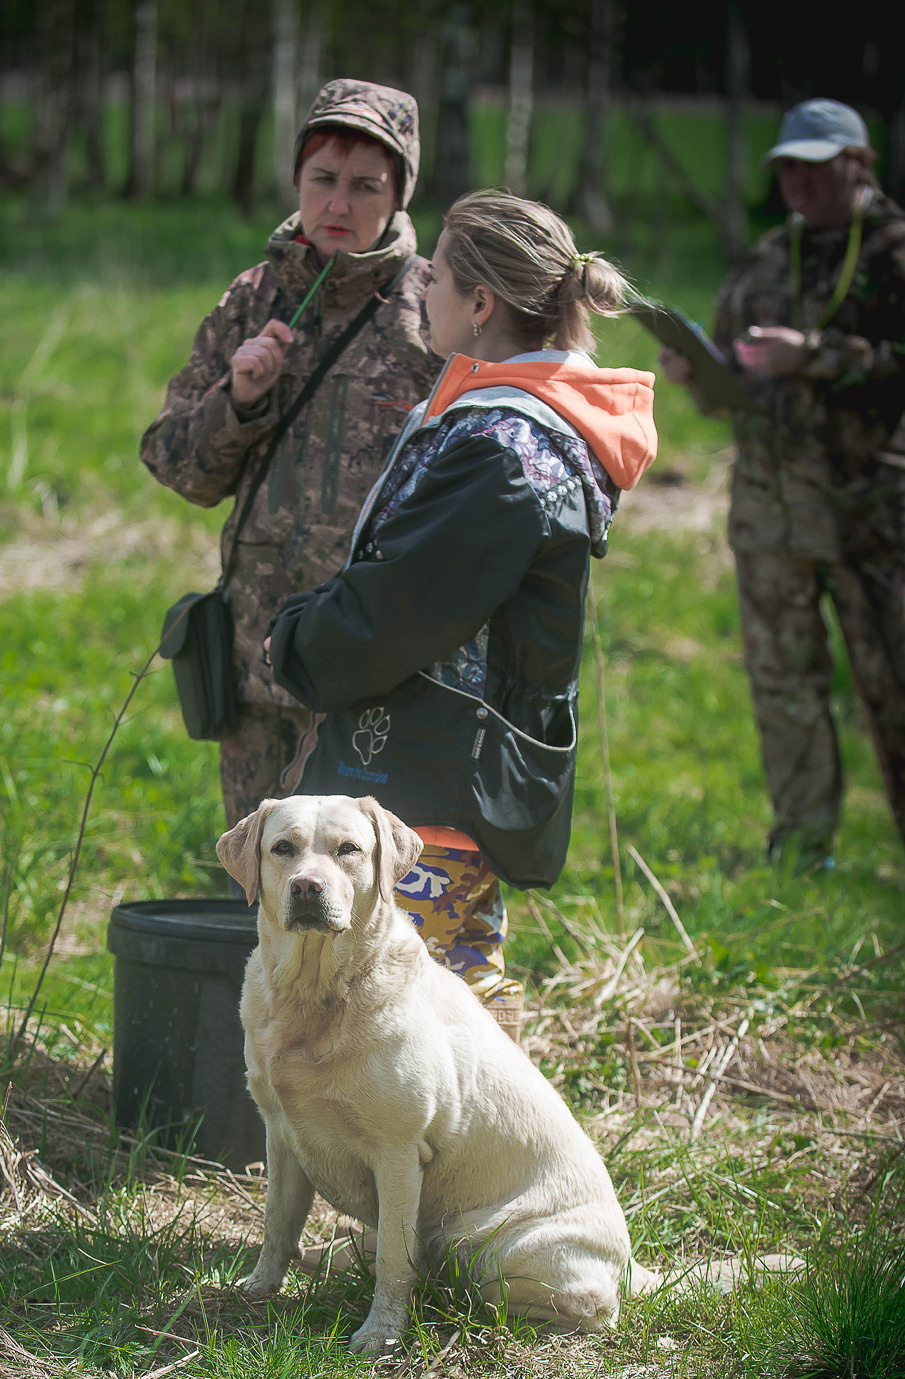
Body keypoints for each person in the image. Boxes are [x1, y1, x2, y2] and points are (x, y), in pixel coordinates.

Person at [266, 192, 656, 1036]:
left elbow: (398, 611)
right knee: (445, 1015)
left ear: (480, 305)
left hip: (427, 780)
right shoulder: (512, 420)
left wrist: (293, 642)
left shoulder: (501, 450)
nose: (421, 290)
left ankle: (482, 1169)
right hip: (445, 772)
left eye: (435, 277)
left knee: (405, 1035)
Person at [140, 80, 440, 828]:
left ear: (400, 193)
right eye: (322, 180)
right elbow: (178, 468)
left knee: (364, 892)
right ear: (298, 182)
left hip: (378, 669)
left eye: (365, 186)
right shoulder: (253, 298)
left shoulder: (436, 309)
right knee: (263, 885)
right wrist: (237, 401)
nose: (338, 205)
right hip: (255, 660)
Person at [660, 99, 905, 868]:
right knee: (783, 686)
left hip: (872, 512)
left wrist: (820, 355)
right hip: (769, 514)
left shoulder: (894, 254)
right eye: (786, 167)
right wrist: (698, 375)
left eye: (814, 165)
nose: (796, 180)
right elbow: (727, 375)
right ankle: (802, 850)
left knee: (890, 685)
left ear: (857, 164)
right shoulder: (766, 258)